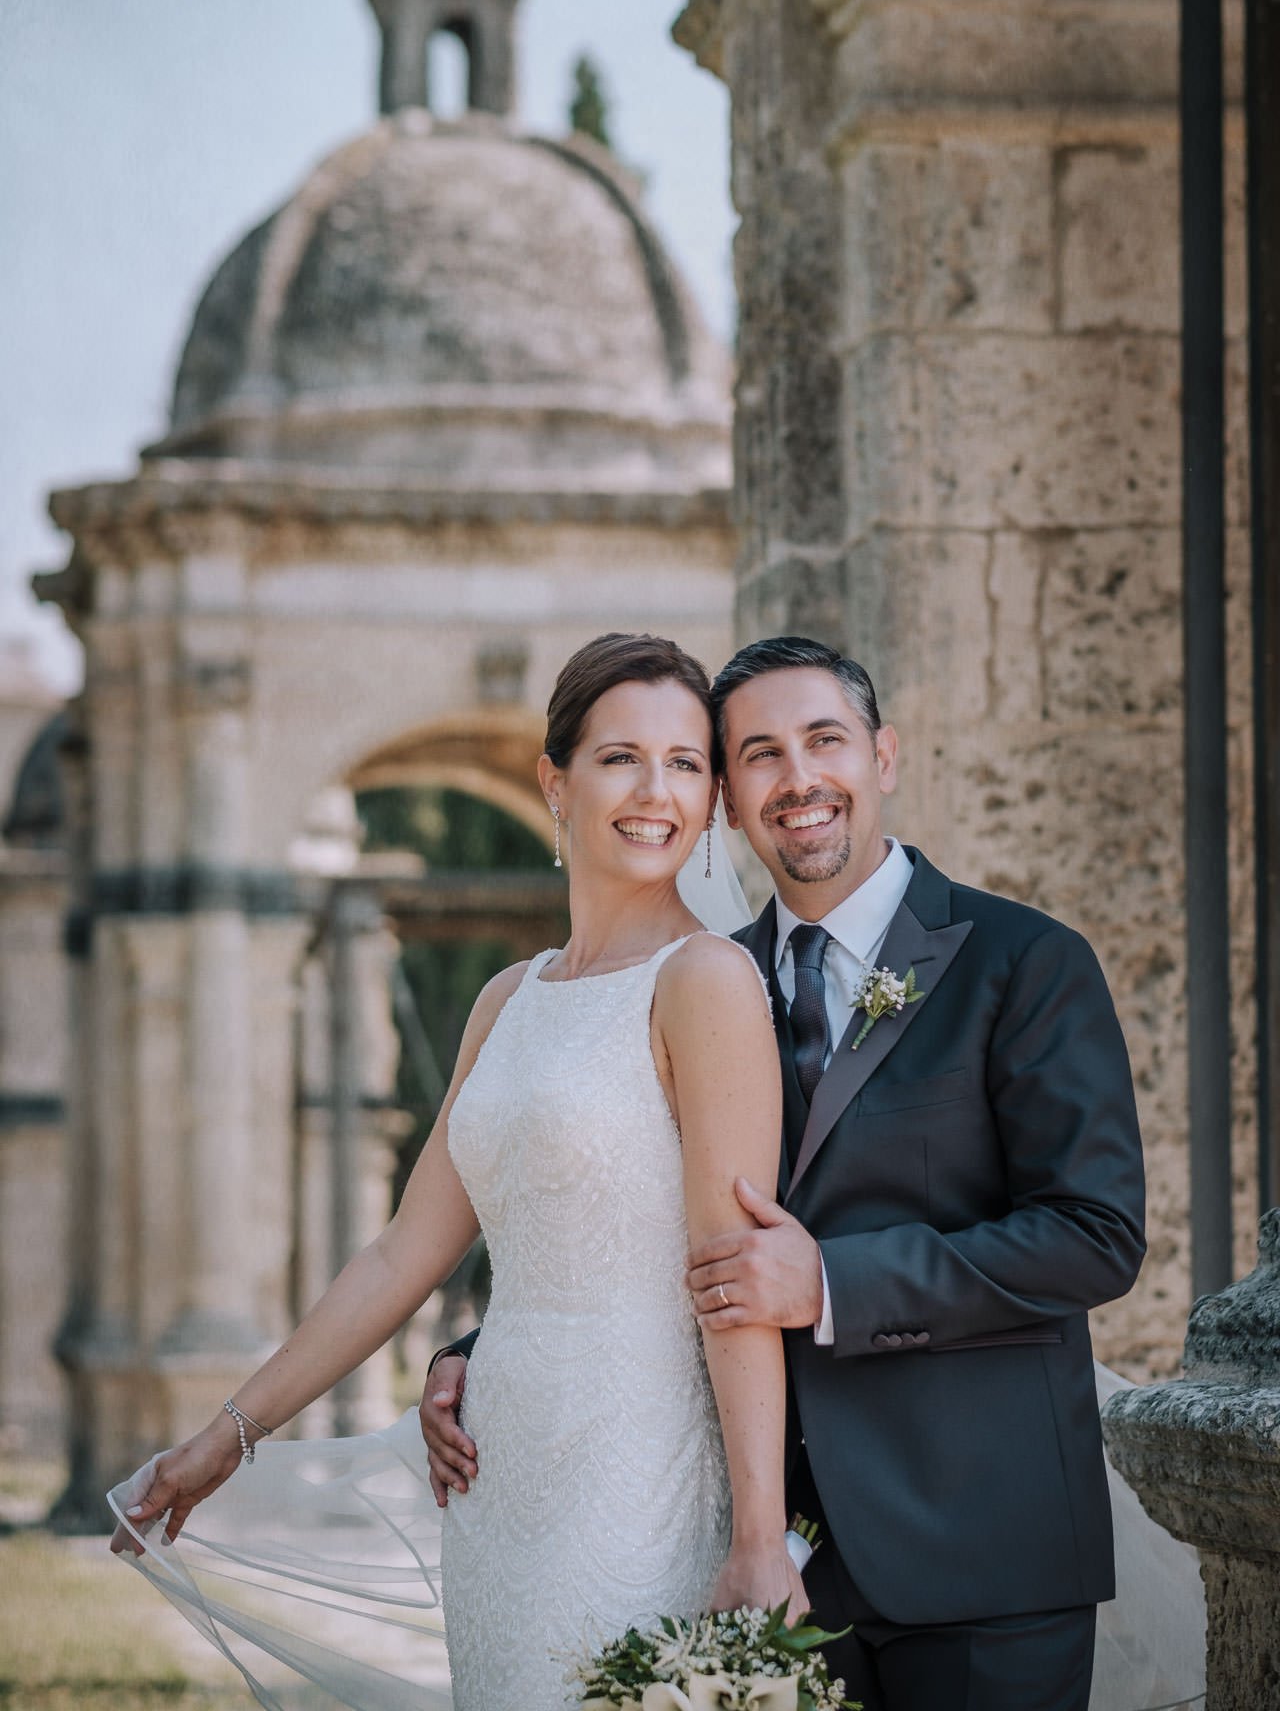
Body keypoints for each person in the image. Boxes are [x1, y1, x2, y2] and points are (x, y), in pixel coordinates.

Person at [421, 636, 1205, 1711]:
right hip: (771, 1564)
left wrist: (833, 1283)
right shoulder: (703, 979)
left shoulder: (1022, 960)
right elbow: (653, 1216)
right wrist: (485, 1355)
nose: (797, 778)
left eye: (823, 740)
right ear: (728, 801)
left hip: (980, 1551)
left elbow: (1093, 1235)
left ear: (882, 757)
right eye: (758, 754)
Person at [109, 632, 807, 1711]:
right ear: (554, 782)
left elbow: (732, 1276)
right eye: (620, 758)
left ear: (712, 798)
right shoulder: (507, 999)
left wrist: (758, 1536)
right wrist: (225, 1439)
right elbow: (400, 1255)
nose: (654, 792)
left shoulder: (704, 981)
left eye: (684, 764)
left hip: (640, 1476)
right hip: (496, 1480)